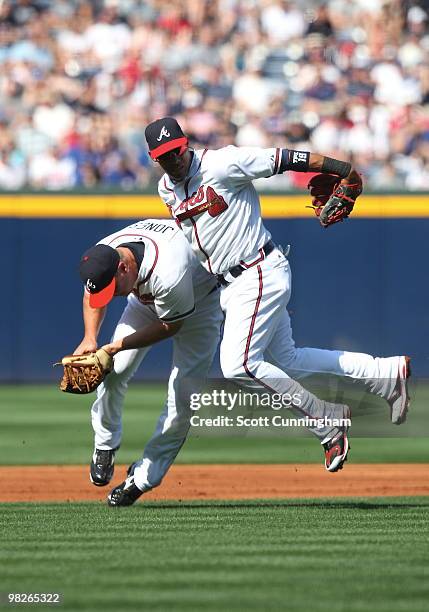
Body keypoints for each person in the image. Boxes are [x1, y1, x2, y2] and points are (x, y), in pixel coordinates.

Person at [144, 116, 411, 471]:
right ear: (154, 158)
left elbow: (286, 158)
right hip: (234, 283)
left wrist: (344, 169)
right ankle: (383, 373)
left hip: (257, 270)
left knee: (238, 365)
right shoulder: (166, 189)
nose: (173, 160)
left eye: (176, 151)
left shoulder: (224, 163)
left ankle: (327, 422)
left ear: (186, 144)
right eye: (164, 156)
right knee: (288, 362)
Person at [74, 218, 223, 506]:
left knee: (182, 398)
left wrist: (117, 345)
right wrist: (90, 338)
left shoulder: (168, 269)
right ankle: (105, 444)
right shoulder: (106, 255)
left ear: (124, 267)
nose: (112, 294)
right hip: (147, 301)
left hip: (199, 307)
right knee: (113, 370)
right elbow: (93, 294)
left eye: (113, 287)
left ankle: (143, 478)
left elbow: (171, 327)